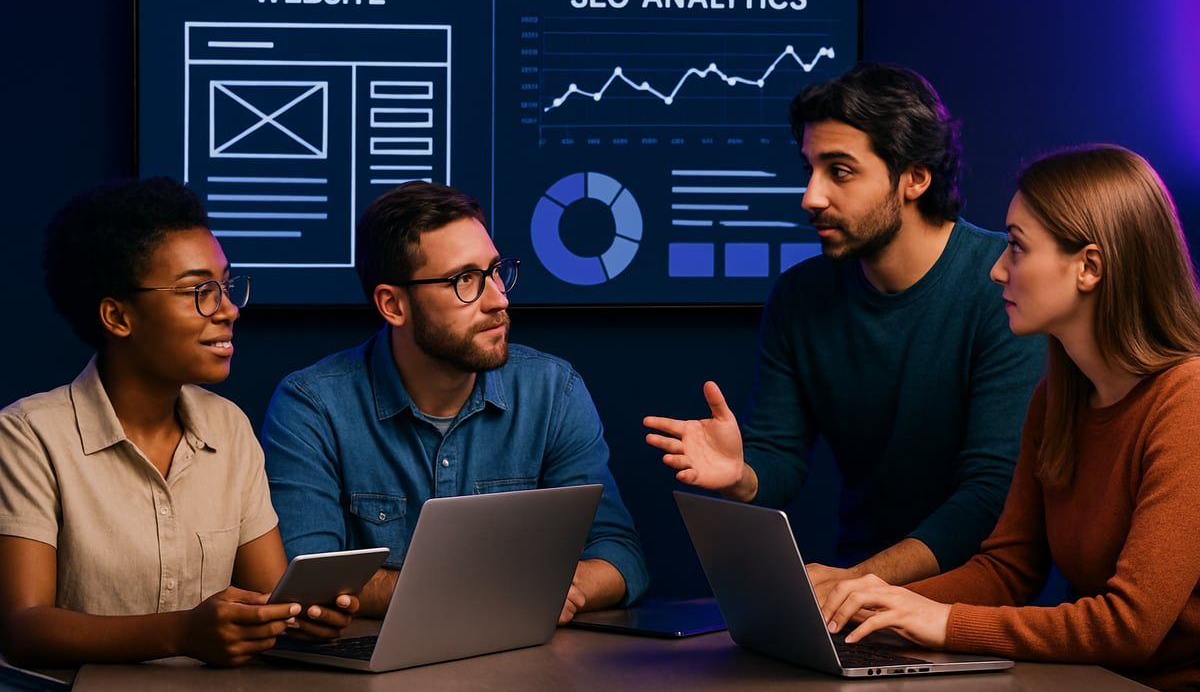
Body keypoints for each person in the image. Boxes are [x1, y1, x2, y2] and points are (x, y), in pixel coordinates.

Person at [645, 64, 1044, 598]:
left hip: (982, 596)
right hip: (856, 596)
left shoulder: (1004, 284)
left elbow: (990, 494)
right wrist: (740, 473)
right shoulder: (799, 297)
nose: (811, 196)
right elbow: (780, 456)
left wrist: (858, 579)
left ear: (915, 178)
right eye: (810, 168)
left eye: (840, 171)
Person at [819, 145, 1200, 692]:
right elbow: (1008, 570)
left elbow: (1131, 626)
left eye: (1017, 249)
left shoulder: (1187, 401)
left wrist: (943, 622)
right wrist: (869, 601)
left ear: (1089, 267)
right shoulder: (1055, 400)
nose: (997, 270)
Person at [0, 177, 356, 668]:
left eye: (226, 286)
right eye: (198, 291)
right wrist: (181, 632)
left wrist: (298, 617)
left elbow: (268, 597)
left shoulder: (229, 427)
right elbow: (24, 627)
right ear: (118, 317)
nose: (228, 309)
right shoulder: (28, 436)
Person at [261, 181, 648, 624]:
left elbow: (619, 553)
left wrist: (563, 586)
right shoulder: (312, 406)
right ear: (393, 305)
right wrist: (490, 590)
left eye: (496, 271)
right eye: (465, 280)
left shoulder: (553, 390)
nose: (499, 299)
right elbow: (309, 580)